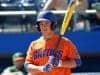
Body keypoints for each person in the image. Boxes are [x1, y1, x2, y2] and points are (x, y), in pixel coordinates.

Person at [25, 11, 81, 75]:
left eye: (47, 23)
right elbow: (27, 66)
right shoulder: (34, 44)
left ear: (53, 25)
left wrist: (60, 63)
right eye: (41, 24)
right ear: (38, 26)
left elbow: (77, 62)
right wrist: (41, 68)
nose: (44, 26)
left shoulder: (65, 42)